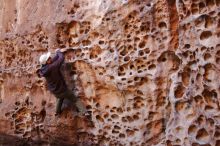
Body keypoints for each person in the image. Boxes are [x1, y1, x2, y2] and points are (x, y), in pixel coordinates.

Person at [37, 49, 86, 116]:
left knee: (60, 98)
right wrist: (59, 52)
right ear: (47, 61)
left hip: (55, 91)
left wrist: (57, 54)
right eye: (49, 58)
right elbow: (61, 59)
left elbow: (53, 60)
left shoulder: (44, 68)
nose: (51, 58)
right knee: (74, 99)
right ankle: (83, 111)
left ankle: (57, 112)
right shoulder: (52, 67)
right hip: (62, 90)